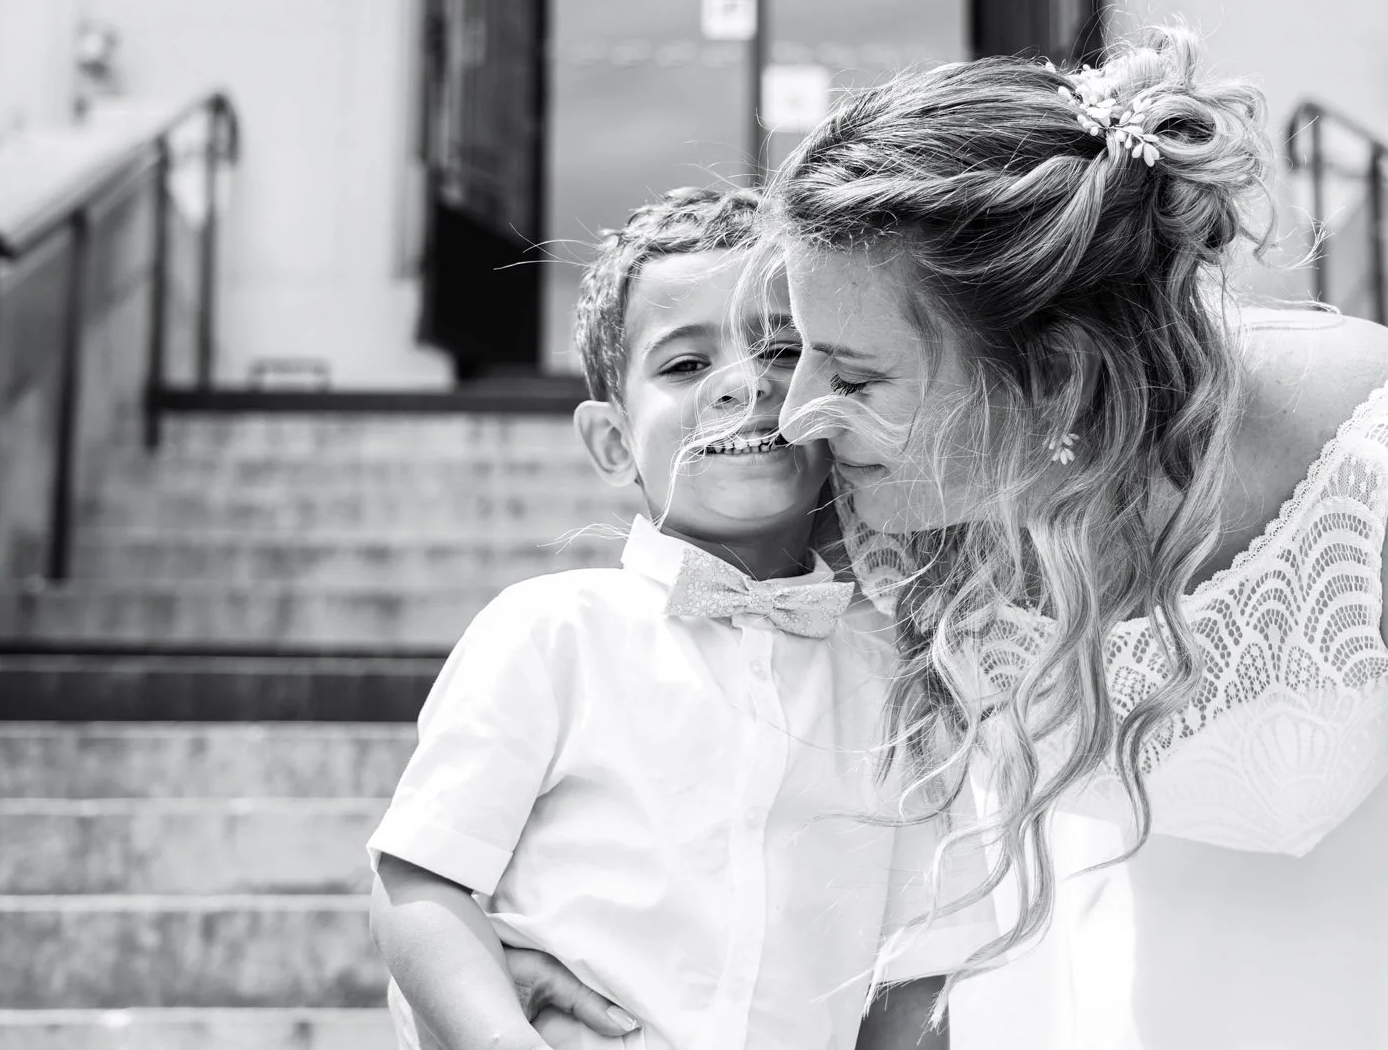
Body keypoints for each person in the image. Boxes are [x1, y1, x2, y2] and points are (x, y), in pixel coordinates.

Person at [748, 26, 1388, 1049]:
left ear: (1053, 375)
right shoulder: (886, 493)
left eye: (852, 376)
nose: (795, 412)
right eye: (797, 349)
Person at [367, 188, 990, 1050]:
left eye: (782, 347)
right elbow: (418, 880)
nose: (745, 382)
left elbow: (916, 967)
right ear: (613, 441)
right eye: (686, 364)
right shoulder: (554, 631)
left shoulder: (900, 680)